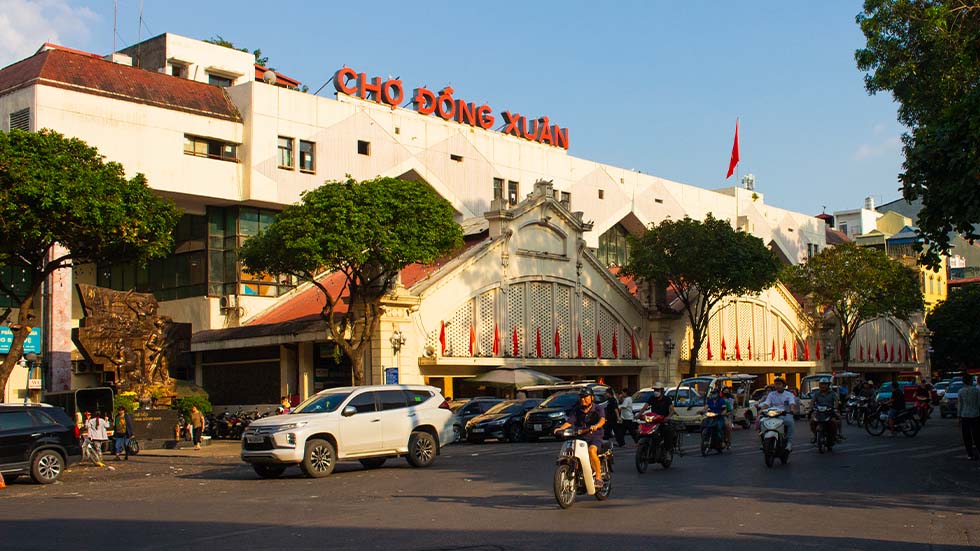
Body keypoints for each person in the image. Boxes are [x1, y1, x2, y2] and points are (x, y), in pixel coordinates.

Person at [553, 387, 607, 488]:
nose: (583, 400)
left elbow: (602, 420)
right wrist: (560, 429)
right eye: (581, 397)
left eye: (586, 397)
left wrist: (596, 426)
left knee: (591, 451)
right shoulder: (576, 410)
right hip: (580, 437)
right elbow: (569, 422)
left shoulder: (598, 408)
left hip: (595, 436)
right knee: (572, 453)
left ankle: (599, 478)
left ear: (592, 398)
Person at [757, 378, 798, 450]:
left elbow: (792, 403)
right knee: (762, 422)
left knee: (790, 422)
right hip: (772, 413)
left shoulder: (789, 394)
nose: (777, 386)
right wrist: (761, 410)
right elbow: (767, 403)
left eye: (779, 384)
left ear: (784, 385)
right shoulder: (771, 394)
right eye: (776, 384)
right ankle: (763, 442)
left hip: (785, 414)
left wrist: (792, 409)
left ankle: (789, 443)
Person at [957, 374, 980, 460]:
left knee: (966, 436)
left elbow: (960, 405)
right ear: (971, 381)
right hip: (975, 414)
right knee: (977, 434)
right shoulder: (976, 391)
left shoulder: (960, 391)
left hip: (964, 415)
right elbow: (979, 403)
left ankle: (969, 454)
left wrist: (958, 417)